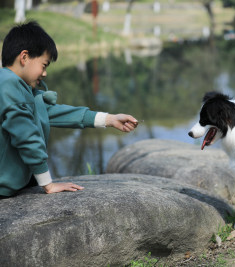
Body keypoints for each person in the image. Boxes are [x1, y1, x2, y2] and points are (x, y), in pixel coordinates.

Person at [0, 21, 138, 197]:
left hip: (16, 184)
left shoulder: (20, 88)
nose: (45, 73)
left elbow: (59, 113)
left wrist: (109, 119)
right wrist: (48, 185)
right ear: (24, 57)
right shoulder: (8, 85)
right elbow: (27, 137)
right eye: (44, 65)